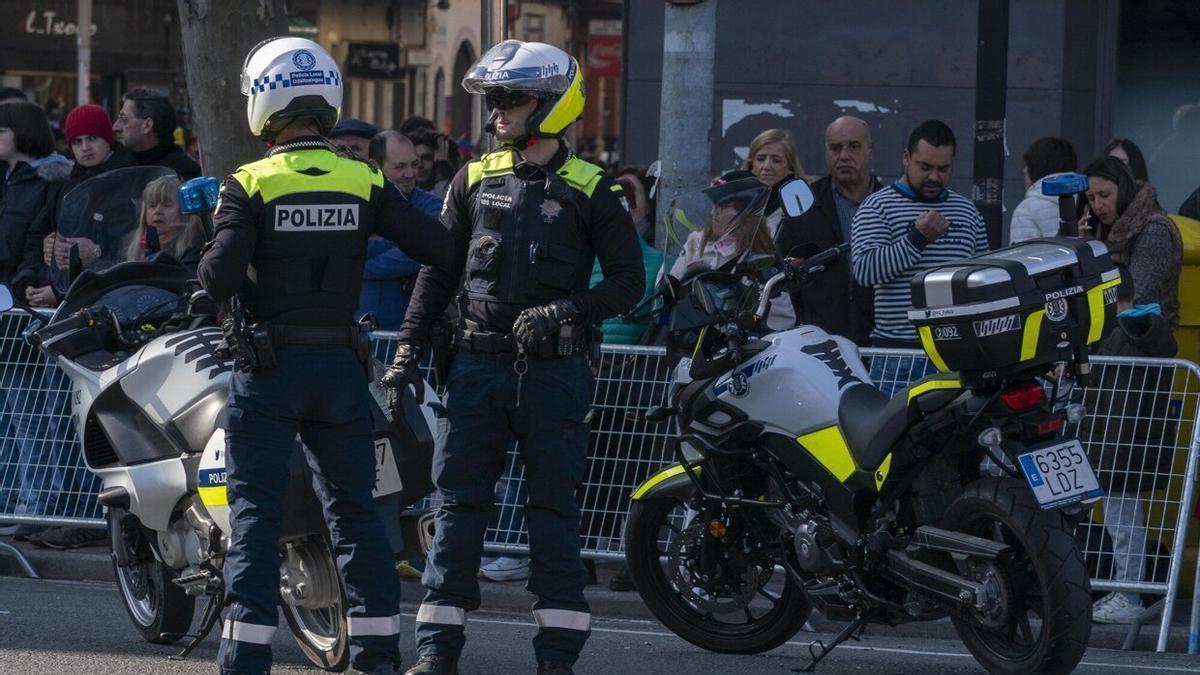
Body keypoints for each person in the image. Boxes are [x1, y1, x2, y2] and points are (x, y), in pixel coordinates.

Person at [383, 39, 644, 675]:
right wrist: (407, 349)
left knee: (553, 514)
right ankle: (436, 653)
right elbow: (437, 272)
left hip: (554, 374)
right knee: (456, 511)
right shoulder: (472, 178)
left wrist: (567, 311)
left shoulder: (592, 189)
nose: (496, 111)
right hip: (473, 369)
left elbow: (628, 283)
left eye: (511, 99)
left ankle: (556, 659)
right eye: (493, 99)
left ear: (552, 105)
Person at [195, 37, 455, 675]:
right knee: (358, 515)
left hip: (269, 371)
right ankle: (375, 659)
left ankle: (244, 660)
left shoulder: (250, 182)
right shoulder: (364, 178)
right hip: (342, 371)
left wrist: (208, 265)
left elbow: (218, 278)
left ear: (263, 104)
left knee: (256, 518)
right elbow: (441, 249)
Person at [851, 119, 989, 396]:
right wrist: (918, 239)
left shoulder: (966, 211)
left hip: (956, 355)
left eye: (943, 169)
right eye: (925, 167)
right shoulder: (877, 207)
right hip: (899, 355)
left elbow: (983, 280)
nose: (934, 177)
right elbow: (865, 272)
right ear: (906, 158)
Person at [1078, 268, 1177, 624]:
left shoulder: (1129, 331)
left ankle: (1128, 592)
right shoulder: (1128, 330)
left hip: (1119, 445)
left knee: (1123, 523)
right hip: (1117, 443)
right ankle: (1122, 589)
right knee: (1119, 521)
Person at [0, 100, 71, 540]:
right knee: (9, 413)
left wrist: (26, 284)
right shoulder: (7, 181)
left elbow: (35, 244)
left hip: (22, 307)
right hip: (7, 302)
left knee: (32, 415)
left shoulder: (47, 182)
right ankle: (11, 496)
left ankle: (39, 501)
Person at [775, 116, 880, 345]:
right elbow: (785, 271)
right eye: (835, 148)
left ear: (870, 151)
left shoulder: (890, 204)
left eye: (854, 146)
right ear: (826, 152)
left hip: (880, 340)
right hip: (820, 342)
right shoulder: (804, 205)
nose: (844, 155)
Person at [670, 173, 797, 332]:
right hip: (693, 340)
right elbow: (669, 288)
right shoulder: (695, 241)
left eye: (723, 206)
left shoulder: (760, 254)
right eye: (713, 205)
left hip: (738, 346)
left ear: (746, 211)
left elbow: (783, 321)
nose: (713, 213)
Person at [1079, 156, 1182, 326]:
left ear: (1124, 188)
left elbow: (1136, 296)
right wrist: (1084, 248)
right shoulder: (1097, 230)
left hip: (1144, 336)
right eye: (1091, 198)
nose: (1097, 205)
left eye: (1104, 195)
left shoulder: (1153, 229)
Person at [357, 130, 444, 333]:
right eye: (400, 166)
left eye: (414, 164)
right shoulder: (355, 203)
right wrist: (399, 241)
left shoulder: (432, 207)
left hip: (407, 334)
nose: (411, 174)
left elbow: (417, 253)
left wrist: (357, 266)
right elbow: (343, 246)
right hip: (356, 331)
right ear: (375, 166)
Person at [123, 175, 207, 270]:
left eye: (167, 205)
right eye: (152, 206)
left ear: (184, 212)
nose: (157, 211)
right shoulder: (130, 243)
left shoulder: (193, 245)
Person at [112, 88, 200, 180]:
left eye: (124, 119)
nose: (115, 127)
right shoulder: (119, 165)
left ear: (147, 125)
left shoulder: (183, 174)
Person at [739, 128, 806, 239]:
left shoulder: (801, 207)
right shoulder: (734, 202)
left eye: (776, 161)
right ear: (751, 164)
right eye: (761, 159)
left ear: (790, 167)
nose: (766, 166)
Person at [1009, 137, 1078, 242]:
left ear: (1034, 167)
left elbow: (1022, 256)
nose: (1024, 170)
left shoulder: (1026, 210)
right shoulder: (1090, 198)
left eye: (1027, 166)